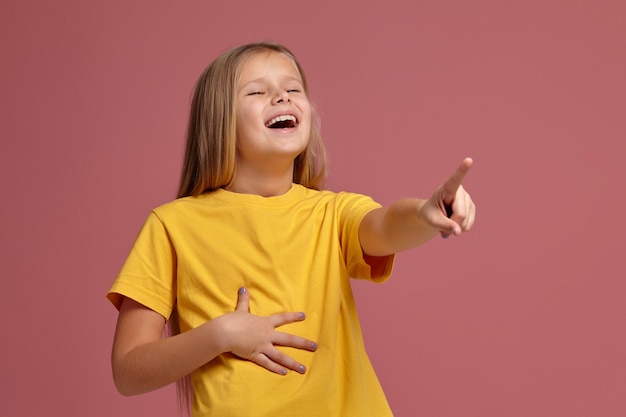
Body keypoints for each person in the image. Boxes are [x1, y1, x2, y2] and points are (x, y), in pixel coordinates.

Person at [107, 41, 475, 417]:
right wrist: (221, 335)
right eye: (257, 91)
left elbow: (386, 226)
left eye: (293, 88)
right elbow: (128, 370)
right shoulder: (171, 226)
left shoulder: (332, 212)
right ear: (218, 120)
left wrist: (427, 212)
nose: (282, 97)